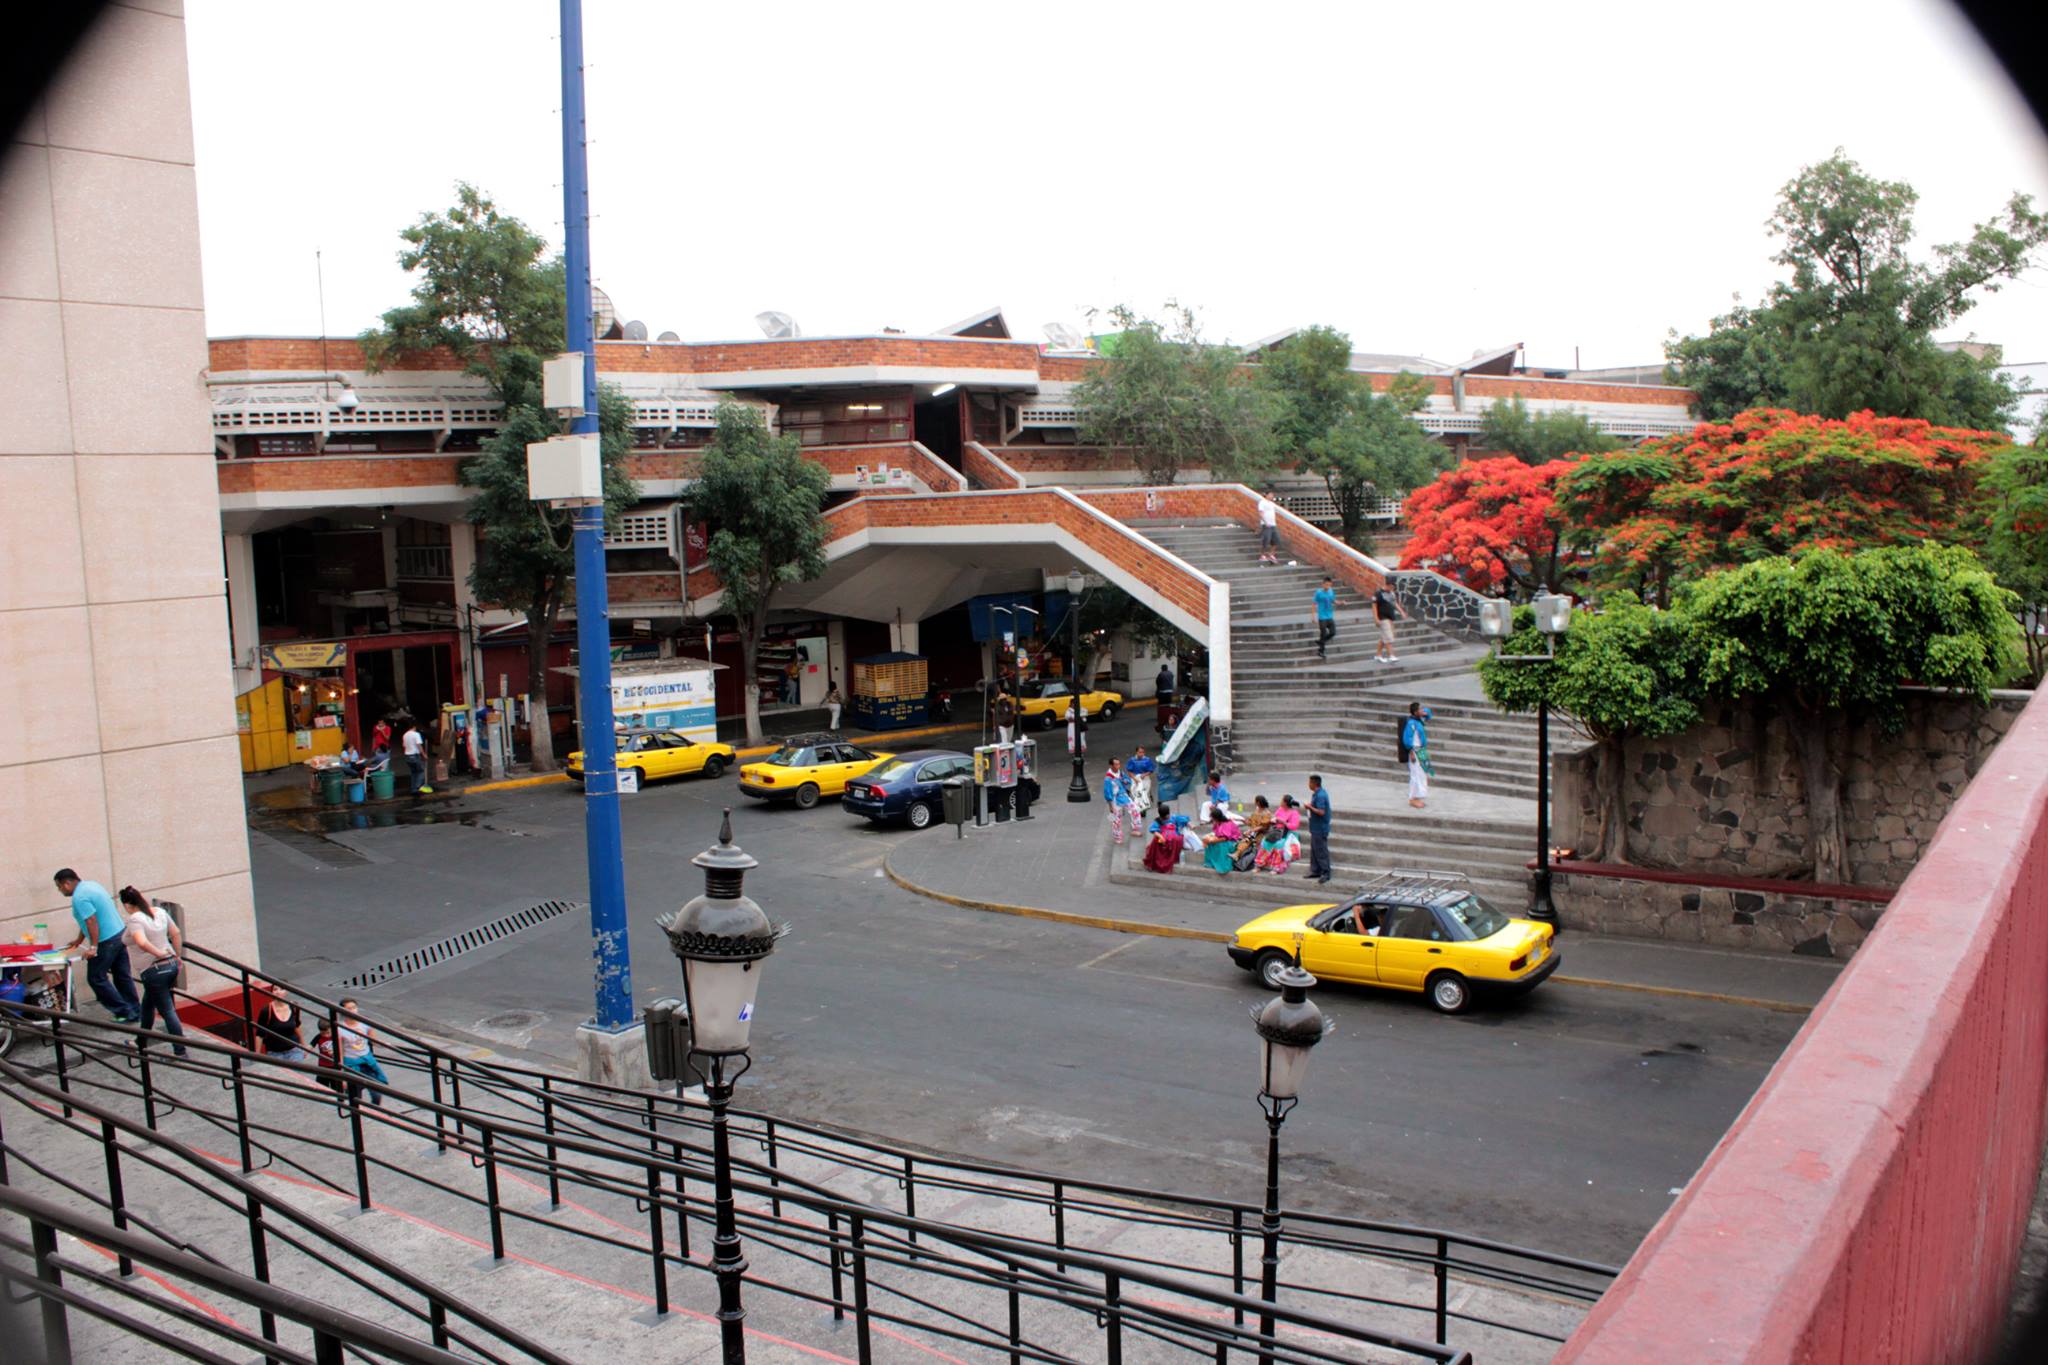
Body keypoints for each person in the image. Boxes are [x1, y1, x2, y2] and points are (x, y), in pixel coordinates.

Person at [53, 869, 139, 1023]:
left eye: (59, 887)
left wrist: (93, 947)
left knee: (96, 978)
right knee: (122, 976)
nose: (60, 890)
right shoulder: (91, 885)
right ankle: (134, 1010)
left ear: (67, 883)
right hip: (120, 934)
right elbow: (87, 920)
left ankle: (124, 1011)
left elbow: (91, 920)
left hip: (106, 941)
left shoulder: (79, 898)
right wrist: (79, 939)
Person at [117, 887, 187, 1056]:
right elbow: (176, 933)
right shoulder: (160, 912)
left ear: (127, 905)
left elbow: (141, 942)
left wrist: (158, 954)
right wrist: (176, 955)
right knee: (147, 1006)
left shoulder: (135, 919)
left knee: (167, 1011)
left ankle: (180, 1051)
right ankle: (140, 1042)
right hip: (169, 966)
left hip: (153, 970)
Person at [337, 997, 390, 1107]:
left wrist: (385, 1044)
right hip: (352, 1064)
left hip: (367, 1062)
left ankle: (374, 1112)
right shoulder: (340, 1028)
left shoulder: (365, 1023)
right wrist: (342, 1075)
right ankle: (357, 1115)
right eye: (349, 1008)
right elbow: (340, 1052)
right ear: (343, 1011)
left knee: (376, 1094)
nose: (353, 1010)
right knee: (355, 1096)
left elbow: (374, 1041)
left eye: (354, 1007)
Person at [254, 993, 309, 1063]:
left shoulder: (293, 1007)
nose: (278, 991)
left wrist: (303, 1046)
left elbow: (297, 1026)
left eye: (281, 989)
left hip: (294, 1050)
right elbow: (259, 1034)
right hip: (274, 1052)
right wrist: (257, 1055)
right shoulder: (266, 1011)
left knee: (295, 1073)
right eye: (275, 989)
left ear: (286, 991)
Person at [1101, 758, 1138, 845]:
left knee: (1135, 809)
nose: (1118, 766)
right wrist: (1110, 805)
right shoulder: (1108, 778)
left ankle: (1136, 828)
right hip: (1114, 799)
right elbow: (1107, 793)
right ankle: (1117, 837)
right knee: (1116, 819)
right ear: (1111, 765)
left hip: (1123, 796)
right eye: (1116, 764)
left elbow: (1127, 780)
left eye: (1119, 764)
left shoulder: (1120, 773)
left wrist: (1125, 781)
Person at [1403, 704, 1433, 808]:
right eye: (1420, 709)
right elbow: (1407, 739)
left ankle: (1418, 796)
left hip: (1421, 751)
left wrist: (1425, 712)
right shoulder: (1411, 723)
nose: (1422, 710)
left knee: (1423, 773)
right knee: (1415, 775)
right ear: (1415, 712)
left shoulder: (1419, 720)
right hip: (1415, 751)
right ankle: (1413, 798)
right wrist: (1411, 752)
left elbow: (1429, 714)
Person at [1305, 774, 1333, 884]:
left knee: (1321, 851)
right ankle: (1315, 870)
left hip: (1320, 828)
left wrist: (1309, 807)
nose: (1308, 784)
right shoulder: (1316, 794)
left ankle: (1326, 872)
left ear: (1314, 783)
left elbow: (1321, 812)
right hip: (1315, 827)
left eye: (1309, 782)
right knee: (1314, 851)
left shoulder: (1321, 795)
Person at [1143, 805, 1183, 874]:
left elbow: (1183, 820)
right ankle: (1154, 862)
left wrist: (1189, 824)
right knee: (1155, 840)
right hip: (1163, 841)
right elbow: (1153, 830)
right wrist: (1160, 836)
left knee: (1176, 839)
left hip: (1172, 840)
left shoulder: (1173, 818)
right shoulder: (1158, 821)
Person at [1373, 584, 1407, 663]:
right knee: (1388, 637)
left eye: (1393, 588)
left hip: (1390, 617)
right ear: (1387, 585)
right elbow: (1374, 606)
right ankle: (1391, 655)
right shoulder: (1378, 593)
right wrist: (1376, 618)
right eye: (1391, 587)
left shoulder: (1391, 593)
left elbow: (1395, 603)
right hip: (1382, 617)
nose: (1392, 589)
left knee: (1384, 637)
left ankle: (1378, 655)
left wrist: (1402, 612)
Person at [401, 718, 431, 794]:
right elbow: (419, 745)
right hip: (414, 756)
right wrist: (424, 755)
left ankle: (413, 789)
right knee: (421, 771)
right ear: (414, 726)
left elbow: (403, 746)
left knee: (414, 773)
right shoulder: (416, 734)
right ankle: (418, 787)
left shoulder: (405, 735)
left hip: (407, 757)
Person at [1125, 745, 1156, 814]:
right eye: (1140, 752)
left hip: (1145, 779)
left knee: (1144, 793)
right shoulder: (1132, 760)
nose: (1141, 754)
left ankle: (1143, 808)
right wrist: (1135, 778)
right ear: (1136, 752)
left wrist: (1144, 775)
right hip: (1135, 779)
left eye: (1143, 752)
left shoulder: (1147, 760)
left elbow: (1151, 770)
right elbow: (1129, 771)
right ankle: (1139, 808)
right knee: (1137, 794)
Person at [1314, 576, 1337, 659]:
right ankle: (1321, 651)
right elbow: (1314, 604)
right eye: (1326, 585)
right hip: (1322, 617)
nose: (1327, 587)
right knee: (1323, 633)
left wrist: (1340, 602)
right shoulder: (1318, 593)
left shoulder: (1331, 591)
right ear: (1323, 584)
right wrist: (1313, 616)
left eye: (1329, 585)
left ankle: (1321, 642)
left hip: (1329, 616)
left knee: (1333, 632)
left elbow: (1333, 601)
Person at [1257, 492, 1281, 564]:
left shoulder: (1272, 504)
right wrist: (1265, 522)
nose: (1272, 496)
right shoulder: (1262, 502)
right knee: (1266, 540)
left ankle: (1271, 554)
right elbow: (1260, 513)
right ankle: (1262, 555)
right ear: (1266, 495)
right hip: (1266, 524)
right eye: (1270, 495)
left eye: (1272, 495)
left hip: (1273, 524)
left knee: (1276, 540)